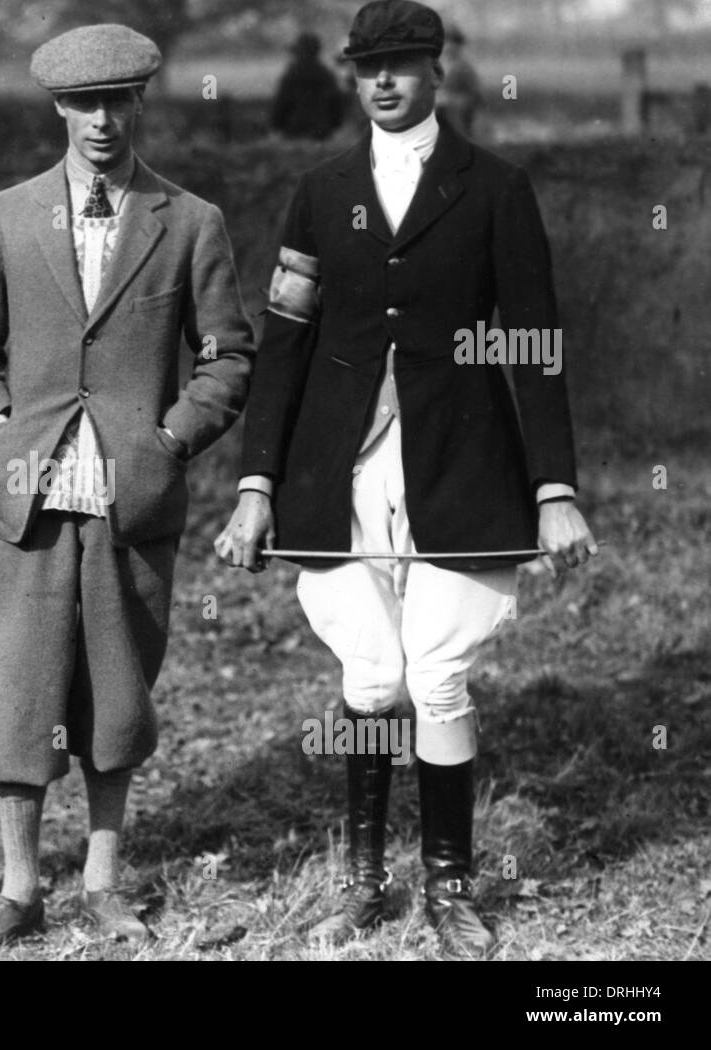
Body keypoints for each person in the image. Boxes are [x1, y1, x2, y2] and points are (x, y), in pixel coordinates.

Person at [215, 0, 595, 959]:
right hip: (337, 473)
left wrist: (554, 488)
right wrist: (257, 483)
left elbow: (534, 345)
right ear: (351, 78)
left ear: (437, 71)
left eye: (402, 64)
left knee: (438, 676)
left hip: (461, 466)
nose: (382, 82)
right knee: (372, 678)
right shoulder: (320, 191)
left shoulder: (496, 189)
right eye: (367, 67)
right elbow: (286, 346)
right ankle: (362, 880)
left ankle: (450, 888)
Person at [0, 23, 254, 957]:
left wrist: (165, 439)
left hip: (131, 497)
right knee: (15, 685)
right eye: (84, 102)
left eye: (118, 101)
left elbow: (228, 355)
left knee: (116, 691)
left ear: (140, 104)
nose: (102, 120)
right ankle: (18, 888)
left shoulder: (189, 220)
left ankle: (106, 881)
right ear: (58, 109)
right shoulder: (6, 214)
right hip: (29, 493)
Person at [270, 31, 345, 141]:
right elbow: (336, 106)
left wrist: (276, 126)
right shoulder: (326, 75)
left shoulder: (292, 75)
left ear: (300, 52)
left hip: (294, 131)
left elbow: (281, 103)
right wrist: (333, 126)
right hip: (322, 132)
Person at [437, 27, 481, 136]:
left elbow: (474, 92)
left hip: (458, 105)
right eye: (446, 42)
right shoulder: (435, 64)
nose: (449, 47)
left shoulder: (464, 67)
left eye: (453, 43)